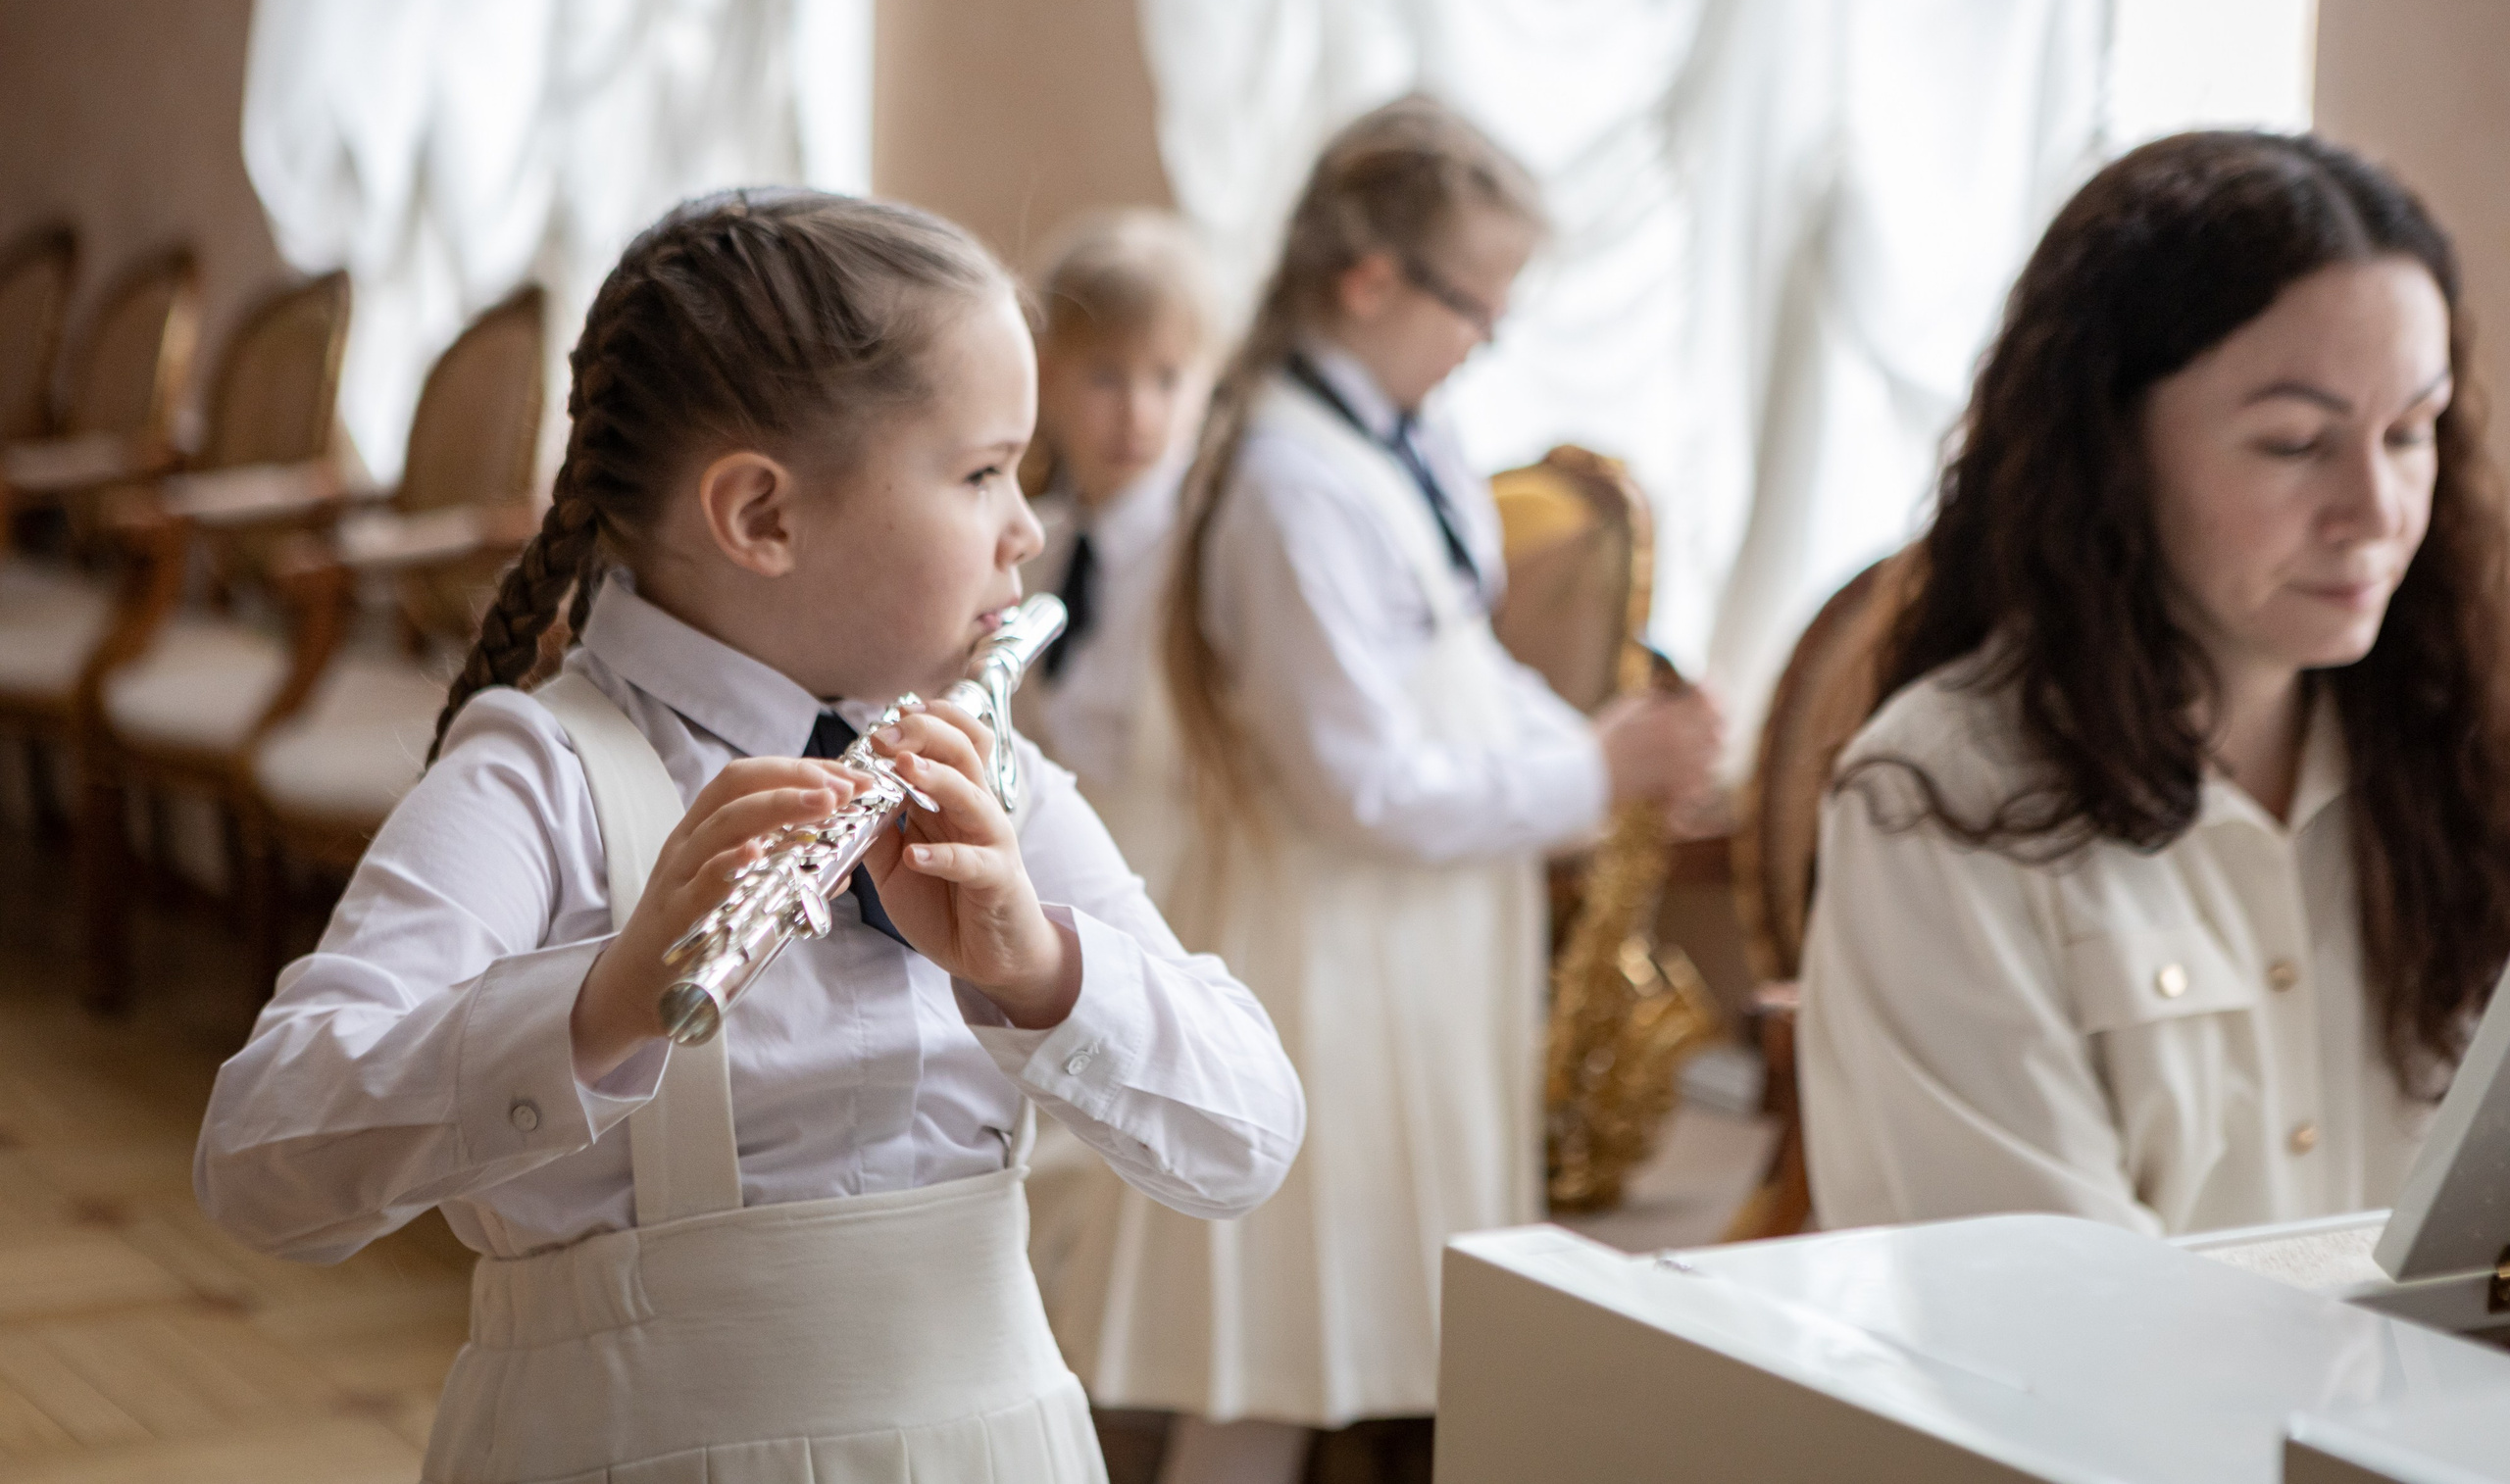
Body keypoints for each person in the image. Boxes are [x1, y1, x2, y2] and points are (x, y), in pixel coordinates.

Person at [192, 190, 1306, 1484]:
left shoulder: (992, 780)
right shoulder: (537, 778)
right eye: (982, 473)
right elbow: (259, 1164)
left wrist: (1041, 965)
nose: (1027, 528)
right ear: (762, 517)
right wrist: (598, 1004)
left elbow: (1248, 1139)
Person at [1062, 97, 1725, 1484]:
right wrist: (1593, 769)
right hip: (1328, 963)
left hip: (1406, 950)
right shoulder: (1288, 481)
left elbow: (1454, 665)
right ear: (1371, 281)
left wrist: (1608, 740)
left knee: (1345, 1335)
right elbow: (1358, 782)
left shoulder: (1392, 437)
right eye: (1475, 304)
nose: (1486, 335)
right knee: (1265, 1352)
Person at [1799, 131, 2510, 1238]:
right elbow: (2060, 1301)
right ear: (2109, 449)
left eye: (2412, 432)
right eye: (2293, 443)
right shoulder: (1939, 799)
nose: (2376, 510)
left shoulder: (2457, 750)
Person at [1014, 207, 1217, 895]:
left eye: (1167, 379)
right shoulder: (1033, 543)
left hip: (1176, 889)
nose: (1137, 414)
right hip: (1051, 882)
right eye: (1105, 376)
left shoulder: (1206, 552)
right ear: (1047, 378)